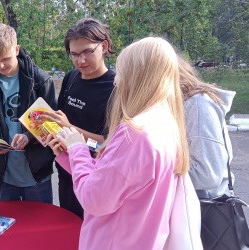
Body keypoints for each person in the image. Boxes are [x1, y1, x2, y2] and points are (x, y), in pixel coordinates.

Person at [47, 37, 190, 249]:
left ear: (137, 77)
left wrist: (77, 147)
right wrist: (66, 154)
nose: (116, 81)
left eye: (121, 73)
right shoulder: (164, 122)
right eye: (74, 55)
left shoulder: (135, 133)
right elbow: (111, 177)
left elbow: (94, 198)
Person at [0, 23, 57, 204]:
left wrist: (29, 137)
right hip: (2, 174)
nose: (0, 65)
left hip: (37, 173)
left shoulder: (40, 80)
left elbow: (53, 124)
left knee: (39, 228)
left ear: (17, 49)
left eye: (5, 58)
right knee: (6, 229)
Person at [41, 17, 115, 218]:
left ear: (104, 46)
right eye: (74, 54)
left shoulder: (116, 87)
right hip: (67, 172)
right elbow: (61, 122)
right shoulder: (71, 78)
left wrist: (71, 130)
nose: (80, 61)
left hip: (96, 179)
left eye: (87, 52)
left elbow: (109, 145)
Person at [178, 55, 236, 198]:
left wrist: (151, 174)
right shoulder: (181, 104)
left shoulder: (197, 104)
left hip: (204, 209)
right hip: (188, 206)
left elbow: (207, 175)